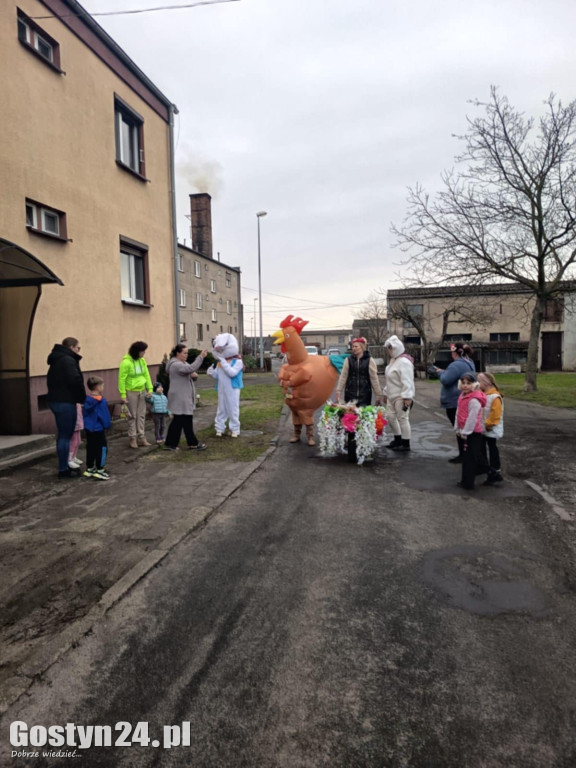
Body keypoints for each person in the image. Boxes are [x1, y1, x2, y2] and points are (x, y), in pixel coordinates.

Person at [335, 337, 383, 461]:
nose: (354, 348)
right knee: (350, 419)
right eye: (353, 346)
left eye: (356, 346)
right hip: (350, 394)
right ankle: (351, 445)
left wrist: (378, 394)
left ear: (362, 347)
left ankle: (363, 444)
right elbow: (343, 376)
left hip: (364, 394)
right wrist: (338, 391)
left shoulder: (369, 360)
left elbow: (374, 378)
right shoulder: (348, 360)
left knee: (362, 419)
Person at [46, 337, 86, 479]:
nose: (78, 351)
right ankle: (63, 469)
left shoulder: (57, 359)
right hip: (65, 402)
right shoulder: (67, 360)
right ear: (71, 347)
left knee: (64, 435)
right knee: (65, 436)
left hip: (56, 400)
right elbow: (75, 380)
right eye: (78, 348)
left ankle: (65, 465)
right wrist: (81, 398)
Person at [433, 342, 475, 463]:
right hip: (463, 399)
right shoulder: (469, 362)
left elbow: (446, 380)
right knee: (464, 429)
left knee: (459, 429)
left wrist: (440, 372)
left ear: (455, 353)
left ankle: (463, 455)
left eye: (451, 352)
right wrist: (445, 371)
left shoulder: (456, 365)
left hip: (454, 401)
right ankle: (466, 454)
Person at [163, 344, 208, 451]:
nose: (186, 355)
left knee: (179, 420)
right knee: (184, 419)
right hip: (180, 396)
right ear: (178, 353)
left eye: (187, 353)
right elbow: (191, 368)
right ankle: (191, 443)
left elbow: (192, 372)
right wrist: (201, 357)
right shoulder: (176, 365)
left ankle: (171, 443)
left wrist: (194, 375)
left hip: (183, 396)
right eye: (184, 353)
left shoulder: (182, 363)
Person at [454, 371, 488, 490]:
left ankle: (468, 483)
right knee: (468, 457)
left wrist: (465, 432)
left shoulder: (474, 399)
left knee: (470, 459)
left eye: (468, 383)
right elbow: (458, 413)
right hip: (464, 430)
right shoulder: (462, 396)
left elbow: (472, 418)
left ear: (473, 385)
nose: (465, 385)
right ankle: (466, 480)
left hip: (473, 432)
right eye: (463, 383)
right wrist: (457, 427)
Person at [207, 333, 245, 438]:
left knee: (232, 409)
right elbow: (217, 375)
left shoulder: (238, 362)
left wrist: (223, 362)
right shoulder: (220, 363)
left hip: (232, 389)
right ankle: (219, 428)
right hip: (221, 388)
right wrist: (211, 372)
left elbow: (231, 373)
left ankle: (235, 429)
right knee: (221, 409)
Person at [118, 341, 154, 449]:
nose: (144, 353)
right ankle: (132, 438)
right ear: (136, 351)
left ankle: (142, 437)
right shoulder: (126, 363)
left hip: (142, 390)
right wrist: (123, 394)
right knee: (132, 416)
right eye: (143, 351)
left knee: (141, 415)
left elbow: (146, 375)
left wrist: (150, 389)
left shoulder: (142, 361)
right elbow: (121, 379)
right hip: (131, 391)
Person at [382, 335, 415, 452]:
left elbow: (407, 380)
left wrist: (407, 397)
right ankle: (398, 439)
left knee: (403, 418)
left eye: (391, 348)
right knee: (390, 417)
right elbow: (390, 380)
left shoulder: (404, 362)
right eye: (389, 348)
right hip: (391, 396)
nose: (390, 350)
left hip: (401, 396)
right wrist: (385, 393)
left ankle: (405, 443)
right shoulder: (393, 362)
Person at [478, 371, 504, 485]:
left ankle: (495, 470)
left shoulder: (495, 397)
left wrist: (487, 425)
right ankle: (485, 468)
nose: (477, 383)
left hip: (490, 428)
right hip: (484, 427)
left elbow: (495, 415)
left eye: (479, 381)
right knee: (481, 447)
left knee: (492, 448)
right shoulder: (484, 394)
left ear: (486, 382)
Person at [82, 376, 112, 480]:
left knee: (90, 447)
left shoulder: (87, 400)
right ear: (98, 387)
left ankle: (90, 468)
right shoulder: (101, 401)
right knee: (102, 449)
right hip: (98, 429)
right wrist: (107, 425)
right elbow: (104, 415)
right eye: (102, 385)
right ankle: (100, 469)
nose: (103, 387)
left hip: (89, 428)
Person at [68, 404, 84, 470]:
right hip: (73, 423)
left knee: (78, 441)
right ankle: (69, 459)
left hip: (78, 422)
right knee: (73, 441)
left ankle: (73, 456)